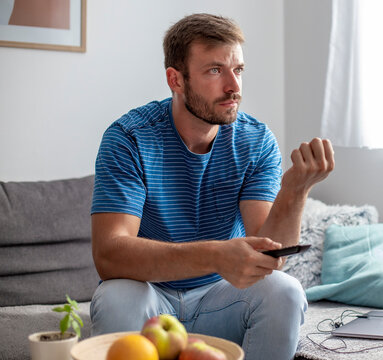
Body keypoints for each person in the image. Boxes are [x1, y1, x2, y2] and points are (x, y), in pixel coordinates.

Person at [89, 13, 334, 360]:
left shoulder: (256, 140)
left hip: (222, 298)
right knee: (117, 295)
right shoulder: (129, 138)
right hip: (149, 296)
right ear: (176, 80)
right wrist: (217, 255)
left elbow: (269, 259)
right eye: (215, 70)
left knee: (286, 291)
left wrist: (294, 191)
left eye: (239, 69)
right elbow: (109, 255)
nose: (234, 85)